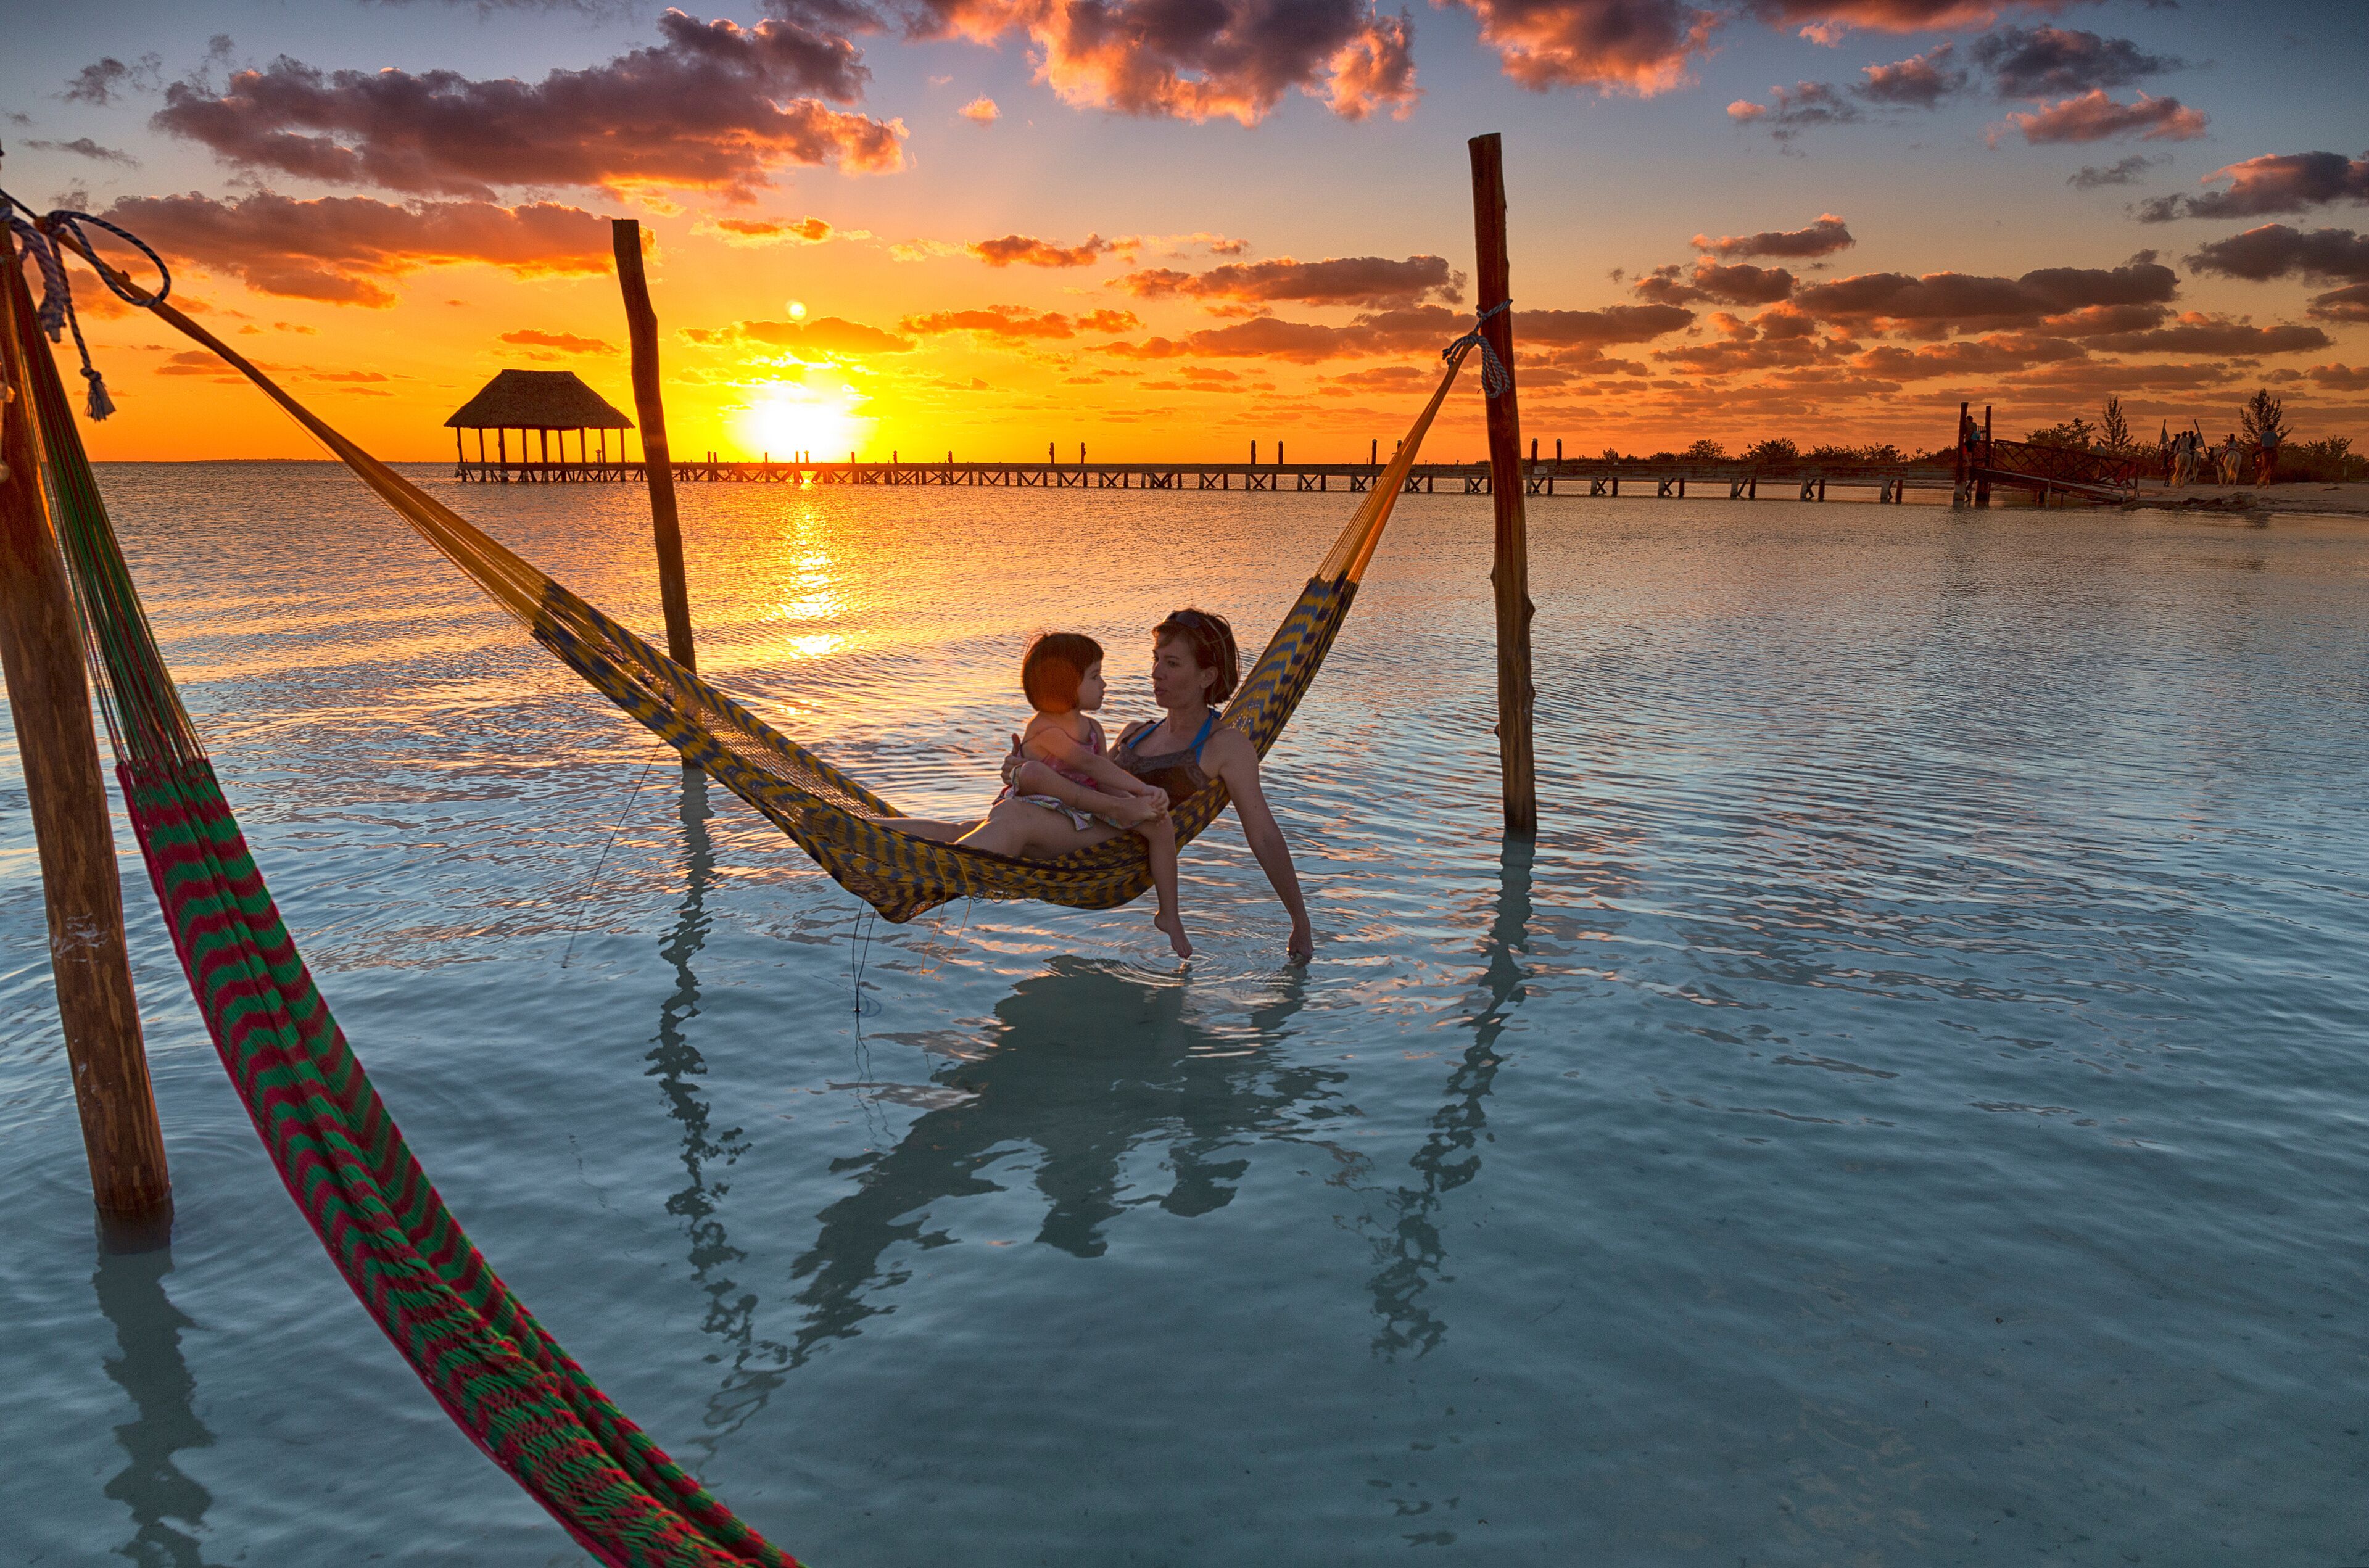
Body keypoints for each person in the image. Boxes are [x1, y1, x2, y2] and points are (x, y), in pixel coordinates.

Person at [888, 609, 1315, 962]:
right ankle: (856, 827)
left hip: (1112, 855)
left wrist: (1299, 920)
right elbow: (1081, 784)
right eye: (1155, 659)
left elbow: (1262, 833)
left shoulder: (1225, 746)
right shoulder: (1135, 732)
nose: (1155, 673)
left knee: (1011, 821)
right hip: (1077, 835)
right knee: (966, 827)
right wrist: (1023, 770)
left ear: (1207, 677)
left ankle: (929, 873)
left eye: (1172, 663)